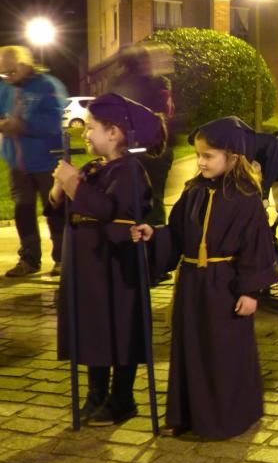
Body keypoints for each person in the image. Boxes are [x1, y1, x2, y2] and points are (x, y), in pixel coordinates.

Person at [132, 117, 278, 438]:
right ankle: (187, 415)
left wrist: (251, 291)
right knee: (190, 349)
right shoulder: (193, 191)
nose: (201, 161)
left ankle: (227, 417)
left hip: (224, 285)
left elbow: (255, 246)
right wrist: (154, 236)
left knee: (223, 353)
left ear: (233, 156)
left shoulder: (244, 198)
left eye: (209, 155)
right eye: (199, 155)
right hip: (192, 285)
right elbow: (177, 233)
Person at [50, 93, 165, 425]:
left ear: (114, 133)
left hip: (114, 265)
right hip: (86, 264)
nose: (85, 134)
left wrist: (75, 188)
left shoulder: (130, 171)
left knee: (118, 328)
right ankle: (95, 395)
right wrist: (59, 192)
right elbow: (60, 211)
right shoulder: (93, 167)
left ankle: (121, 399)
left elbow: (113, 212)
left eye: (92, 128)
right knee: (91, 329)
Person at [0, 45, 66, 277]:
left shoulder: (48, 86)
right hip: (18, 164)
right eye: (2, 73)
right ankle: (29, 259)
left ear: (24, 65)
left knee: (55, 211)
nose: (6, 77)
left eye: (9, 72)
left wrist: (23, 126)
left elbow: (54, 122)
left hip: (47, 162)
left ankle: (63, 259)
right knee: (23, 212)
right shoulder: (5, 88)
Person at [108, 43, 175, 225]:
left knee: (133, 204)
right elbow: (166, 116)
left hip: (134, 151)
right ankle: (157, 245)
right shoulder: (156, 84)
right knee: (154, 202)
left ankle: (140, 246)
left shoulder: (119, 86)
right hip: (156, 151)